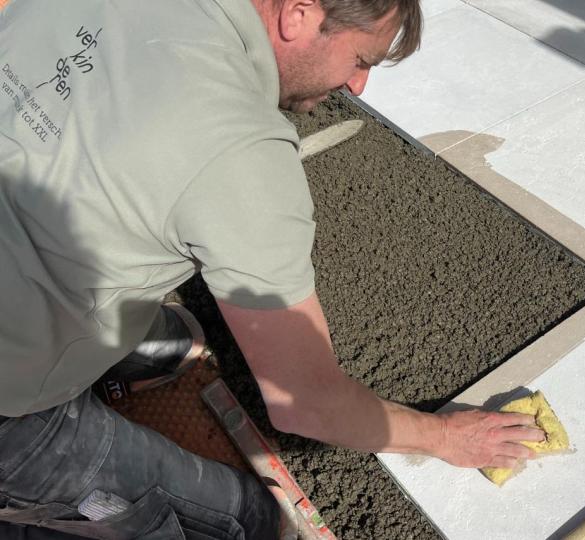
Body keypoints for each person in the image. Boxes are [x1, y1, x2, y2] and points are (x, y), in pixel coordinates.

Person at [0, 0, 544, 537]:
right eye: (362, 59)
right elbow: (305, 405)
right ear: (299, 14)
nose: (359, 86)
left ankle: (109, 341)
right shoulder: (242, 151)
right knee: (248, 520)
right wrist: (446, 438)